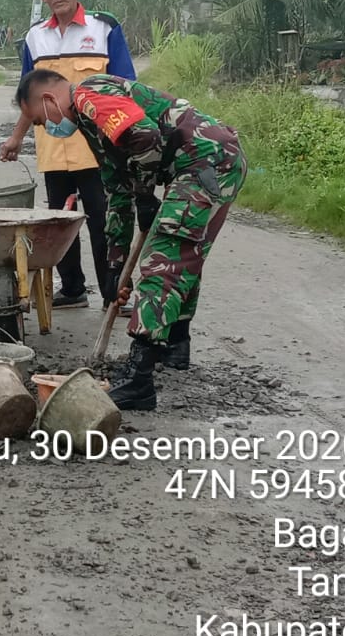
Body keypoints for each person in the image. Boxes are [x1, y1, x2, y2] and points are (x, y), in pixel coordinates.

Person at [13, 69, 247, 411]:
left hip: (205, 160)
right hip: (212, 161)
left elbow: (145, 136)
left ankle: (139, 376)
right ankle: (174, 348)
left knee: (166, 256)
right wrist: (114, 264)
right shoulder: (95, 128)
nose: (44, 129)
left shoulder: (87, 95)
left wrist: (144, 195)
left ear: (48, 100)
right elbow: (116, 192)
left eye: (38, 121)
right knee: (185, 254)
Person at [0, 0, 137, 310]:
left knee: (105, 221)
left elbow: (125, 87)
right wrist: (16, 137)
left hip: (99, 148)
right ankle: (73, 288)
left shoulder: (104, 29)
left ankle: (115, 292)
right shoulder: (34, 39)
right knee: (60, 220)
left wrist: (126, 141)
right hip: (53, 146)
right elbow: (29, 95)